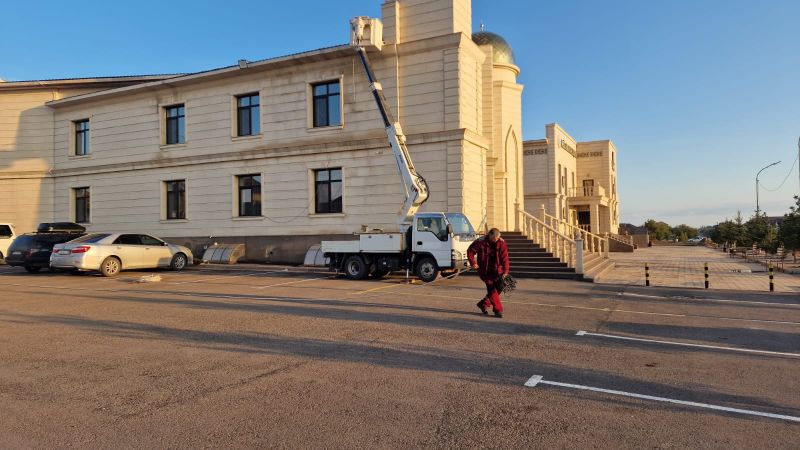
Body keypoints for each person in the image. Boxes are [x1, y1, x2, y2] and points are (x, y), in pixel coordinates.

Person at [467, 228, 509, 318]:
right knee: (491, 289)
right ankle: (498, 310)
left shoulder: (501, 242)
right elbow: (470, 251)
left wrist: (506, 270)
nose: (496, 240)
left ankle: (483, 303)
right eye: (495, 238)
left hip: (497, 270)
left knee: (500, 287)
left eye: (498, 238)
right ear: (489, 236)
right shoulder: (480, 241)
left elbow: (504, 257)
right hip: (485, 271)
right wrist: (473, 262)